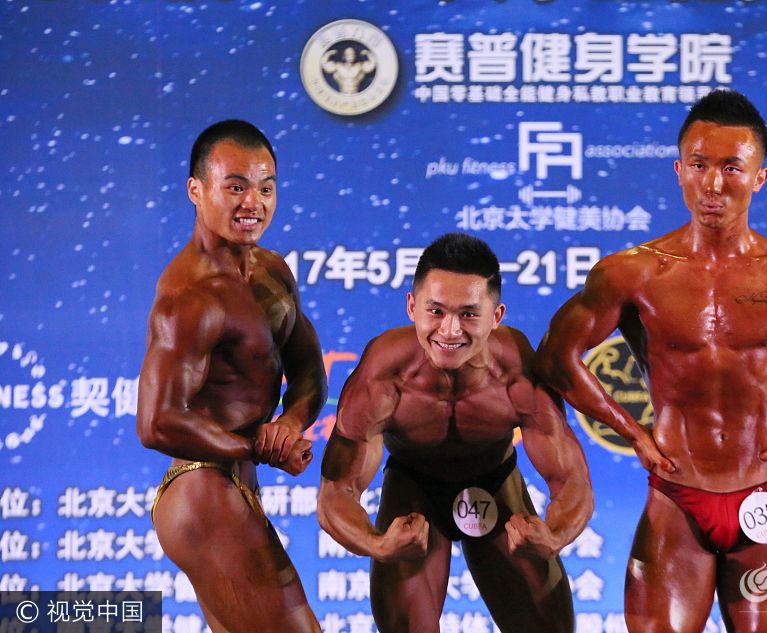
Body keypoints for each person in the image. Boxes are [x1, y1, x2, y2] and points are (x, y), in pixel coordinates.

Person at [534, 90, 767, 633]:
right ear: (679, 170)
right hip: (675, 499)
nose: (713, 184)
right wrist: (633, 433)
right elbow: (555, 358)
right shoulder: (632, 273)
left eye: (732, 167)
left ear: (760, 178)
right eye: (699, 165)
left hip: (764, 496)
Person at [317, 233, 594, 633]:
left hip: (495, 480)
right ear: (412, 307)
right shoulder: (383, 376)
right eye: (435, 311)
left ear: (496, 316)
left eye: (468, 314)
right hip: (413, 489)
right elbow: (335, 491)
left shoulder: (517, 373)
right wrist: (377, 544)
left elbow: (571, 479)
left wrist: (554, 535)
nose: (449, 331)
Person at [137, 119, 327, 633]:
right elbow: (155, 423)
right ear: (195, 191)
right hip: (202, 491)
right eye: (236, 187)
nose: (253, 203)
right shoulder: (190, 296)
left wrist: (289, 424)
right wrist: (257, 448)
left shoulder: (272, 271)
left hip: (236, 485)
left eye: (265, 188)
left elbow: (309, 368)